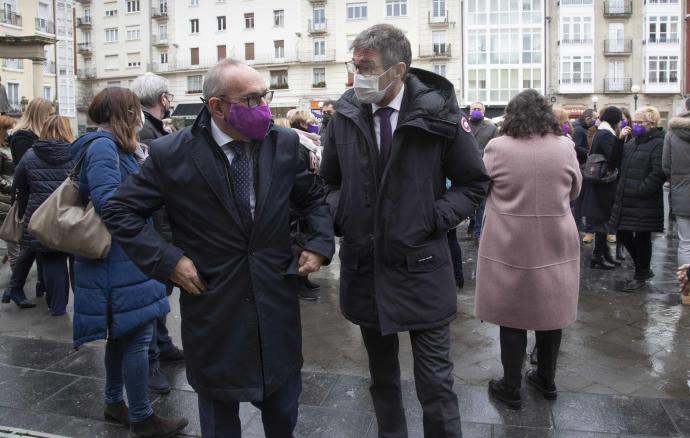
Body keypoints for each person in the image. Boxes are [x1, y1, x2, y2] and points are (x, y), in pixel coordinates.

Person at [100, 59, 334, 438]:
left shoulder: (284, 143)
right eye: (251, 99)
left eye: (264, 96)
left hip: (274, 301)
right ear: (217, 107)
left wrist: (320, 243)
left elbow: (313, 199)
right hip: (213, 303)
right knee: (219, 415)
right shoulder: (170, 153)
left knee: (283, 409)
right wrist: (167, 260)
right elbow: (120, 209)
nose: (263, 107)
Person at [320, 24, 489, 437]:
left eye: (365, 67)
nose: (355, 75)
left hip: (423, 268)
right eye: (353, 65)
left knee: (435, 383)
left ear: (397, 70)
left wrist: (432, 218)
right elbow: (327, 184)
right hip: (366, 269)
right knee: (382, 380)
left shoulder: (440, 114)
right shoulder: (344, 114)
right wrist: (345, 212)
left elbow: (474, 184)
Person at [70, 87, 187, 437]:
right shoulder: (104, 146)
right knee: (136, 338)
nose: (138, 116)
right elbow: (108, 202)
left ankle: (113, 402)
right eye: (133, 110)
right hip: (119, 257)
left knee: (120, 338)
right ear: (122, 112)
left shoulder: (113, 145)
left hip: (121, 256)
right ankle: (141, 416)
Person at [475, 89, 582, 410]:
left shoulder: (497, 147)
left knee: (512, 315)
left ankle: (510, 386)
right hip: (555, 240)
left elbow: (482, 186)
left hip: (509, 241)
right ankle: (546, 380)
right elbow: (575, 189)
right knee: (552, 313)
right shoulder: (565, 147)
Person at [130, 72, 185, 396]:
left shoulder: (152, 129)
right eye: (169, 96)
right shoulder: (147, 133)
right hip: (155, 226)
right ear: (162, 98)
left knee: (158, 294)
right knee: (152, 295)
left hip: (160, 223)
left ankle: (163, 346)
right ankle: (152, 363)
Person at [12, 116, 74, 315]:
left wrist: (24, 210)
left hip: (40, 217)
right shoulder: (77, 153)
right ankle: (82, 307)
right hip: (72, 216)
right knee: (77, 261)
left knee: (52, 260)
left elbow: (18, 185)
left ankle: (57, 307)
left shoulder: (30, 155)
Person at [2, 98, 55, 307]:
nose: (51, 117)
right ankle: (14, 288)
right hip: (30, 197)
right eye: (49, 114)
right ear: (40, 114)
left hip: (38, 196)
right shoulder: (23, 137)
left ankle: (26, 287)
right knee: (31, 245)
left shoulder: (31, 136)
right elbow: (28, 169)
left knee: (36, 244)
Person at [609, 106, 666, 292]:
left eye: (641, 122)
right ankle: (643, 267)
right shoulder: (632, 142)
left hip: (644, 200)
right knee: (623, 234)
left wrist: (640, 190)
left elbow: (659, 172)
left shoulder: (659, 142)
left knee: (642, 238)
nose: (637, 125)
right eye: (637, 122)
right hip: (626, 198)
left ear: (652, 123)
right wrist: (619, 141)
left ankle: (640, 274)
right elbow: (614, 163)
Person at [579, 106, 624, 270]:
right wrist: (620, 141)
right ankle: (598, 256)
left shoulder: (602, 132)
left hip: (599, 182)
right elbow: (614, 159)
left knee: (601, 219)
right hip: (604, 183)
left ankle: (603, 254)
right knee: (602, 219)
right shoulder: (606, 134)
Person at [288, 109, 324, 300]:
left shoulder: (309, 143)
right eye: (311, 122)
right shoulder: (296, 143)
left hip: (308, 200)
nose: (314, 125)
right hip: (297, 206)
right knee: (297, 245)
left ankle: (304, 280)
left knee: (305, 242)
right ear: (302, 124)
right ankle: (297, 284)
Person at [664, 98, 690, 274]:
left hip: (681, 192)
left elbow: (666, 165)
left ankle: (687, 290)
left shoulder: (673, 133)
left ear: (686, 107)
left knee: (685, 242)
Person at [466, 102, 498, 242]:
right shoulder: (463, 125)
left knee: (482, 204)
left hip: (484, 169)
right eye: (474, 109)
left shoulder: (491, 128)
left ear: (484, 112)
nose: (476, 111)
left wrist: (477, 153)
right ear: (470, 111)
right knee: (468, 202)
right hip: (464, 169)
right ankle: (472, 225)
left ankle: (479, 234)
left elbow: (496, 148)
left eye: (479, 109)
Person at [572, 109, 597, 243]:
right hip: (582, 165)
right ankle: (577, 221)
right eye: (594, 118)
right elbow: (576, 147)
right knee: (580, 196)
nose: (595, 120)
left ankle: (578, 219)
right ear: (587, 118)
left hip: (582, 164)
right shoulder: (580, 130)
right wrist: (589, 153)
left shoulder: (582, 128)